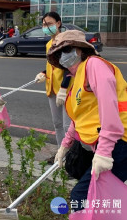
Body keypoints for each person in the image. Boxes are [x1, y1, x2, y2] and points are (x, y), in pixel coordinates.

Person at [48, 30, 127, 212]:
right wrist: (64, 147)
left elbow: (109, 108)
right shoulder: (77, 78)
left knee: (82, 196)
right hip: (105, 143)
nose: (62, 56)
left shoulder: (94, 66)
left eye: (67, 49)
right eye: (59, 53)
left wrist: (104, 152)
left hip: (120, 142)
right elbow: (80, 118)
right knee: (100, 196)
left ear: (80, 50)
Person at [34, 12, 72, 151]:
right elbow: (52, 64)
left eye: (49, 23)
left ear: (58, 23)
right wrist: (43, 73)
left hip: (65, 91)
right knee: (57, 124)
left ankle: (70, 157)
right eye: (44, 24)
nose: (46, 27)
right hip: (51, 88)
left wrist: (63, 88)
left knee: (68, 126)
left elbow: (70, 67)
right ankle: (60, 154)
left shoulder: (66, 42)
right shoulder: (49, 43)